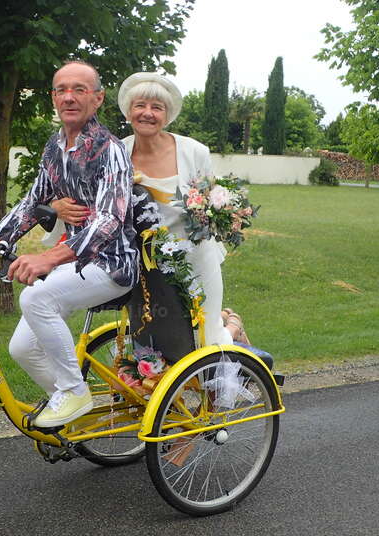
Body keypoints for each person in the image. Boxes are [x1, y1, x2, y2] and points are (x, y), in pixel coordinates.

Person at [0, 61, 138, 428]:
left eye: (80, 89)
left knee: (35, 298)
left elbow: (109, 219)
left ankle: (75, 392)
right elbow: (30, 206)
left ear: (98, 98)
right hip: (76, 262)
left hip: (113, 263)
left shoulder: (112, 150)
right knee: (22, 348)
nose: (69, 97)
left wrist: (49, 257)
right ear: (53, 98)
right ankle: (78, 415)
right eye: (61, 90)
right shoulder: (55, 147)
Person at [52, 72, 250, 346]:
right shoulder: (116, 152)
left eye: (156, 108)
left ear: (166, 116)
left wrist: (219, 213)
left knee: (210, 341)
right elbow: (90, 200)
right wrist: (57, 206)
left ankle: (232, 327)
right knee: (154, 342)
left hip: (196, 256)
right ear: (129, 112)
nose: (147, 113)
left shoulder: (194, 152)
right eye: (140, 106)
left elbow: (213, 197)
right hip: (143, 264)